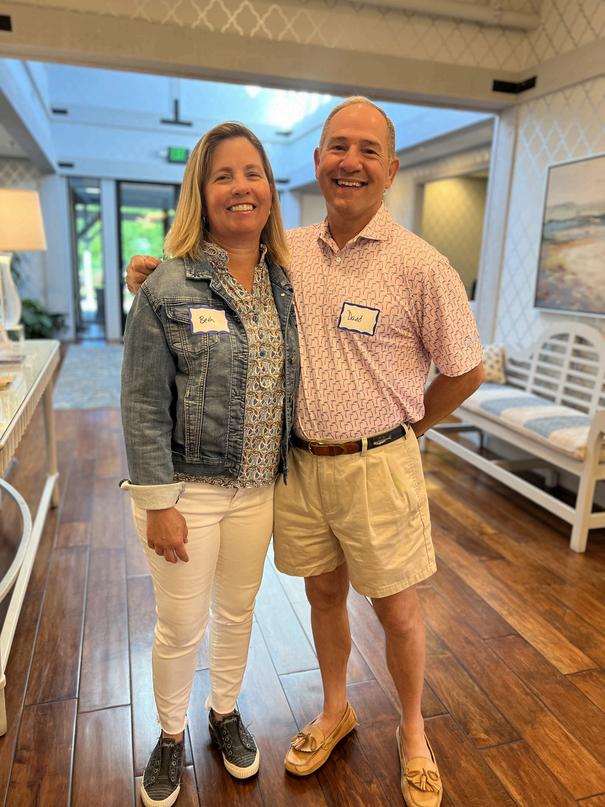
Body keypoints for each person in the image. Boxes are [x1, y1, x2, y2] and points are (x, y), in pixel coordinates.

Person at [126, 97, 484, 807]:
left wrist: (407, 430)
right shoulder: (287, 255)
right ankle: (333, 709)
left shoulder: (421, 265)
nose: (351, 163)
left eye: (368, 151)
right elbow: (214, 279)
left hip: (376, 464)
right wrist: (153, 274)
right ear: (317, 161)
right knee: (322, 595)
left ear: (391, 168)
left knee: (398, 612)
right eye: (337, 148)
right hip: (297, 468)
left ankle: (415, 733)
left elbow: (466, 369)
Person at [120, 122, 299, 807]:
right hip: (185, 491)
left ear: (270, 189)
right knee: (179, 625)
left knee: (238, 611)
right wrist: (158, 501)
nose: (240, 187)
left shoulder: (285, 282)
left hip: (257, 491)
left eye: (253, 173)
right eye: (223, 176)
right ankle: (170, 734)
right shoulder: (166, 287)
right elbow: (142, 402)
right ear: (200, 192)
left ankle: (224, 712)